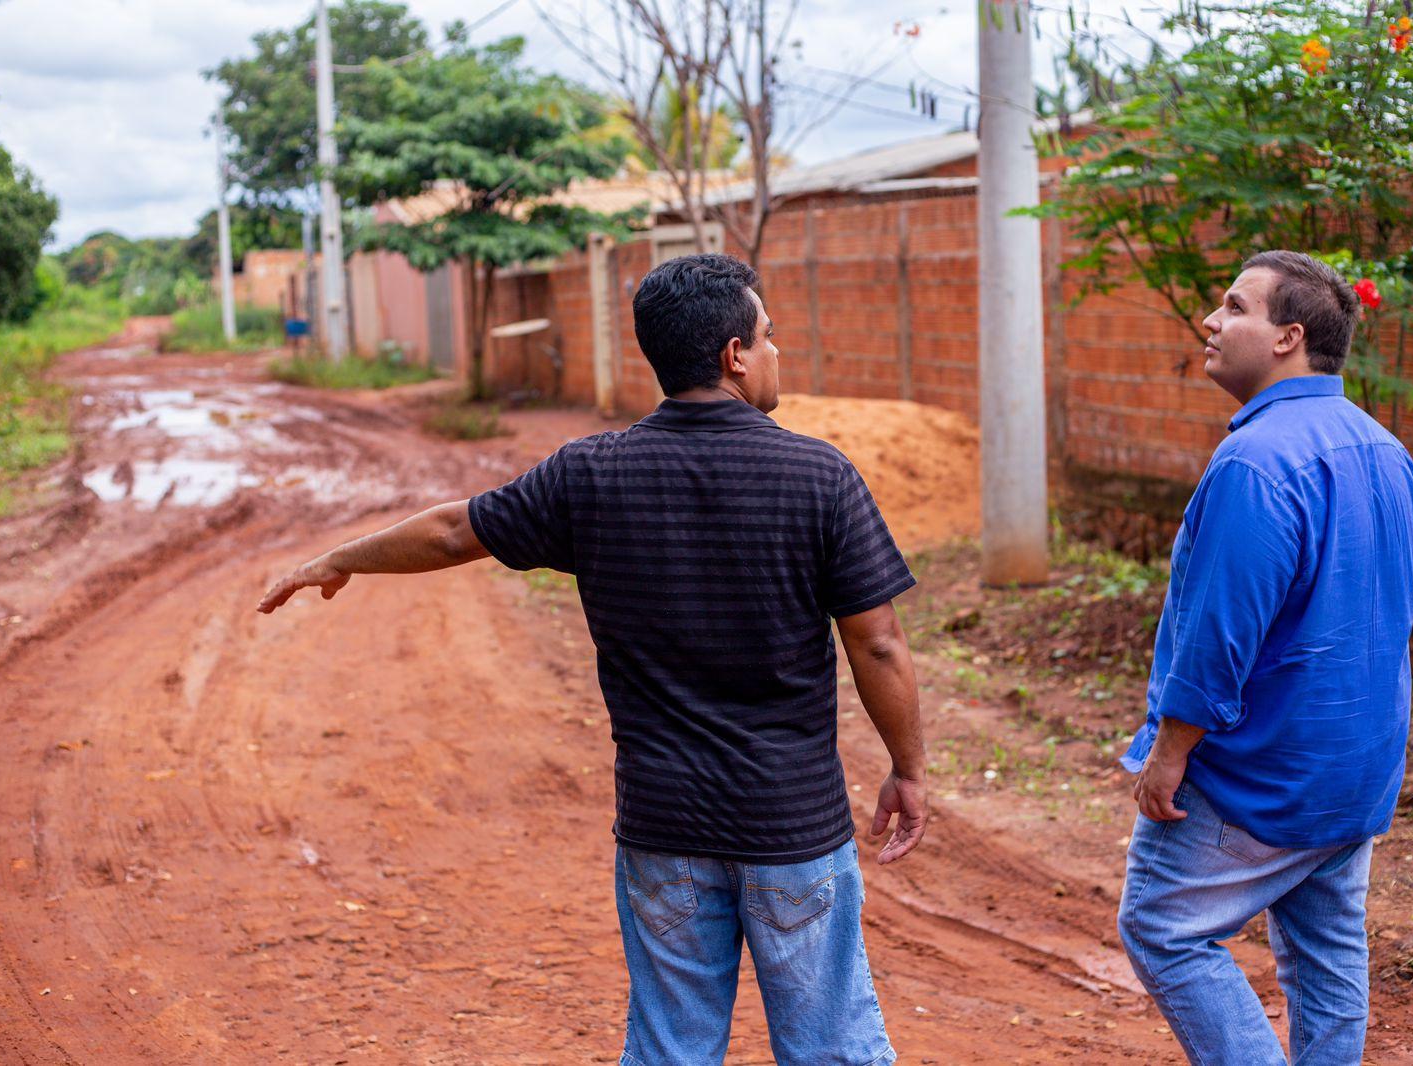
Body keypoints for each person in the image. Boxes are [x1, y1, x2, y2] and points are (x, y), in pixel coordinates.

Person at [258, 253, 926, 1065]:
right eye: (768, 335)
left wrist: (340, 558)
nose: (776, 350)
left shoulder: (591, 475)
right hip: (791, 825)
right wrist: (908, 769)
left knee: (670, 1048)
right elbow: (877, 641)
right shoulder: (819, 476)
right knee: (832, 1049)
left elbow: (451, 532)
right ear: (735, 356)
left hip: (663, 827)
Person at [1118, 250, 1413, 1065]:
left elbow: (1219, 634)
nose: (1211, 321)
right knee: (1327, 956)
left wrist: (1169, 751)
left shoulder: (1255, 462)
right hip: (1357, 768)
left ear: (1288, 337)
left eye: (1234, 306)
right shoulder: (1386, 450)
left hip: (1263, 774)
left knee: (1161, 928)